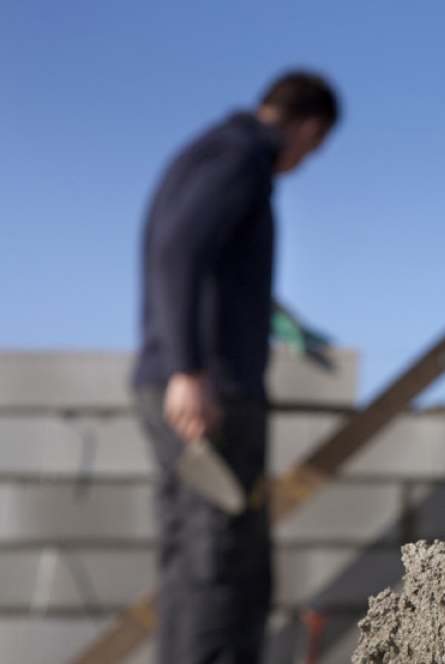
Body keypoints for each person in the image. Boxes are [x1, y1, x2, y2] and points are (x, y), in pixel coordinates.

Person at [132, 70, 339, 664]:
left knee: (200, 565)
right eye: (314, 151)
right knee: (220, 568)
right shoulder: (240, 156)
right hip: (208, 394)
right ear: (308, 130)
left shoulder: (212, 152)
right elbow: (179, 253)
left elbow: (208, 263)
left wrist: (273, 318)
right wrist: (190, 369)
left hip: (192, 381)